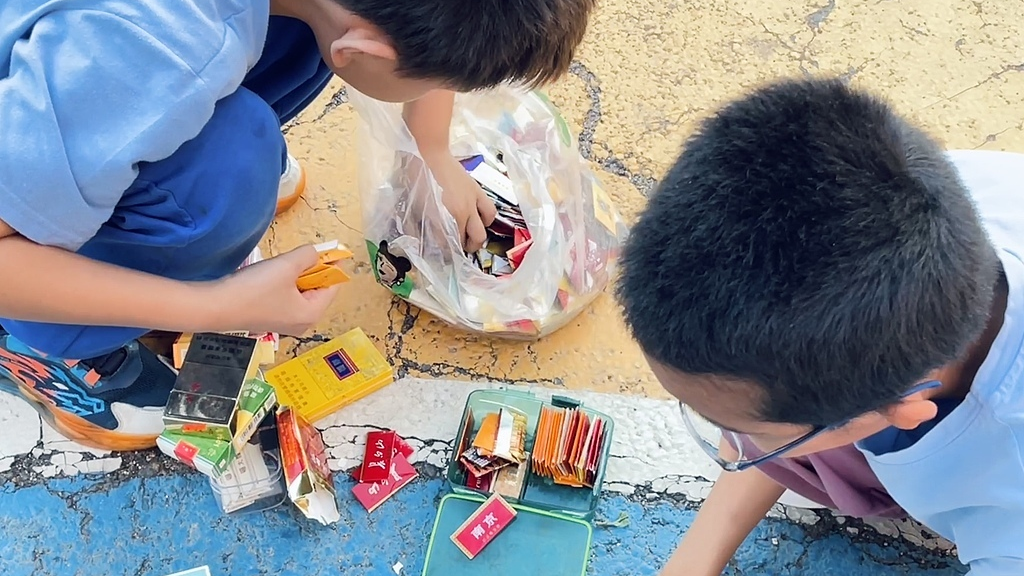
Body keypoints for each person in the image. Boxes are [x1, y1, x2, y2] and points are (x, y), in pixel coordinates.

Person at [0, 0, 594, 451]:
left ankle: (154, 155)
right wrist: (215, 308)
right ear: (363, 50)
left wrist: (432, 152)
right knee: (229, 175)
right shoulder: (152, 50)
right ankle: (43, 346)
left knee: (296, 49)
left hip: (88, 82)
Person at [616, 76, 1024, 575]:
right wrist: (692, 565)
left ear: (905, 408)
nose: (731, 441)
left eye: (744, 432)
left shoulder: (1010, 523)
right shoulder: (898, 189)